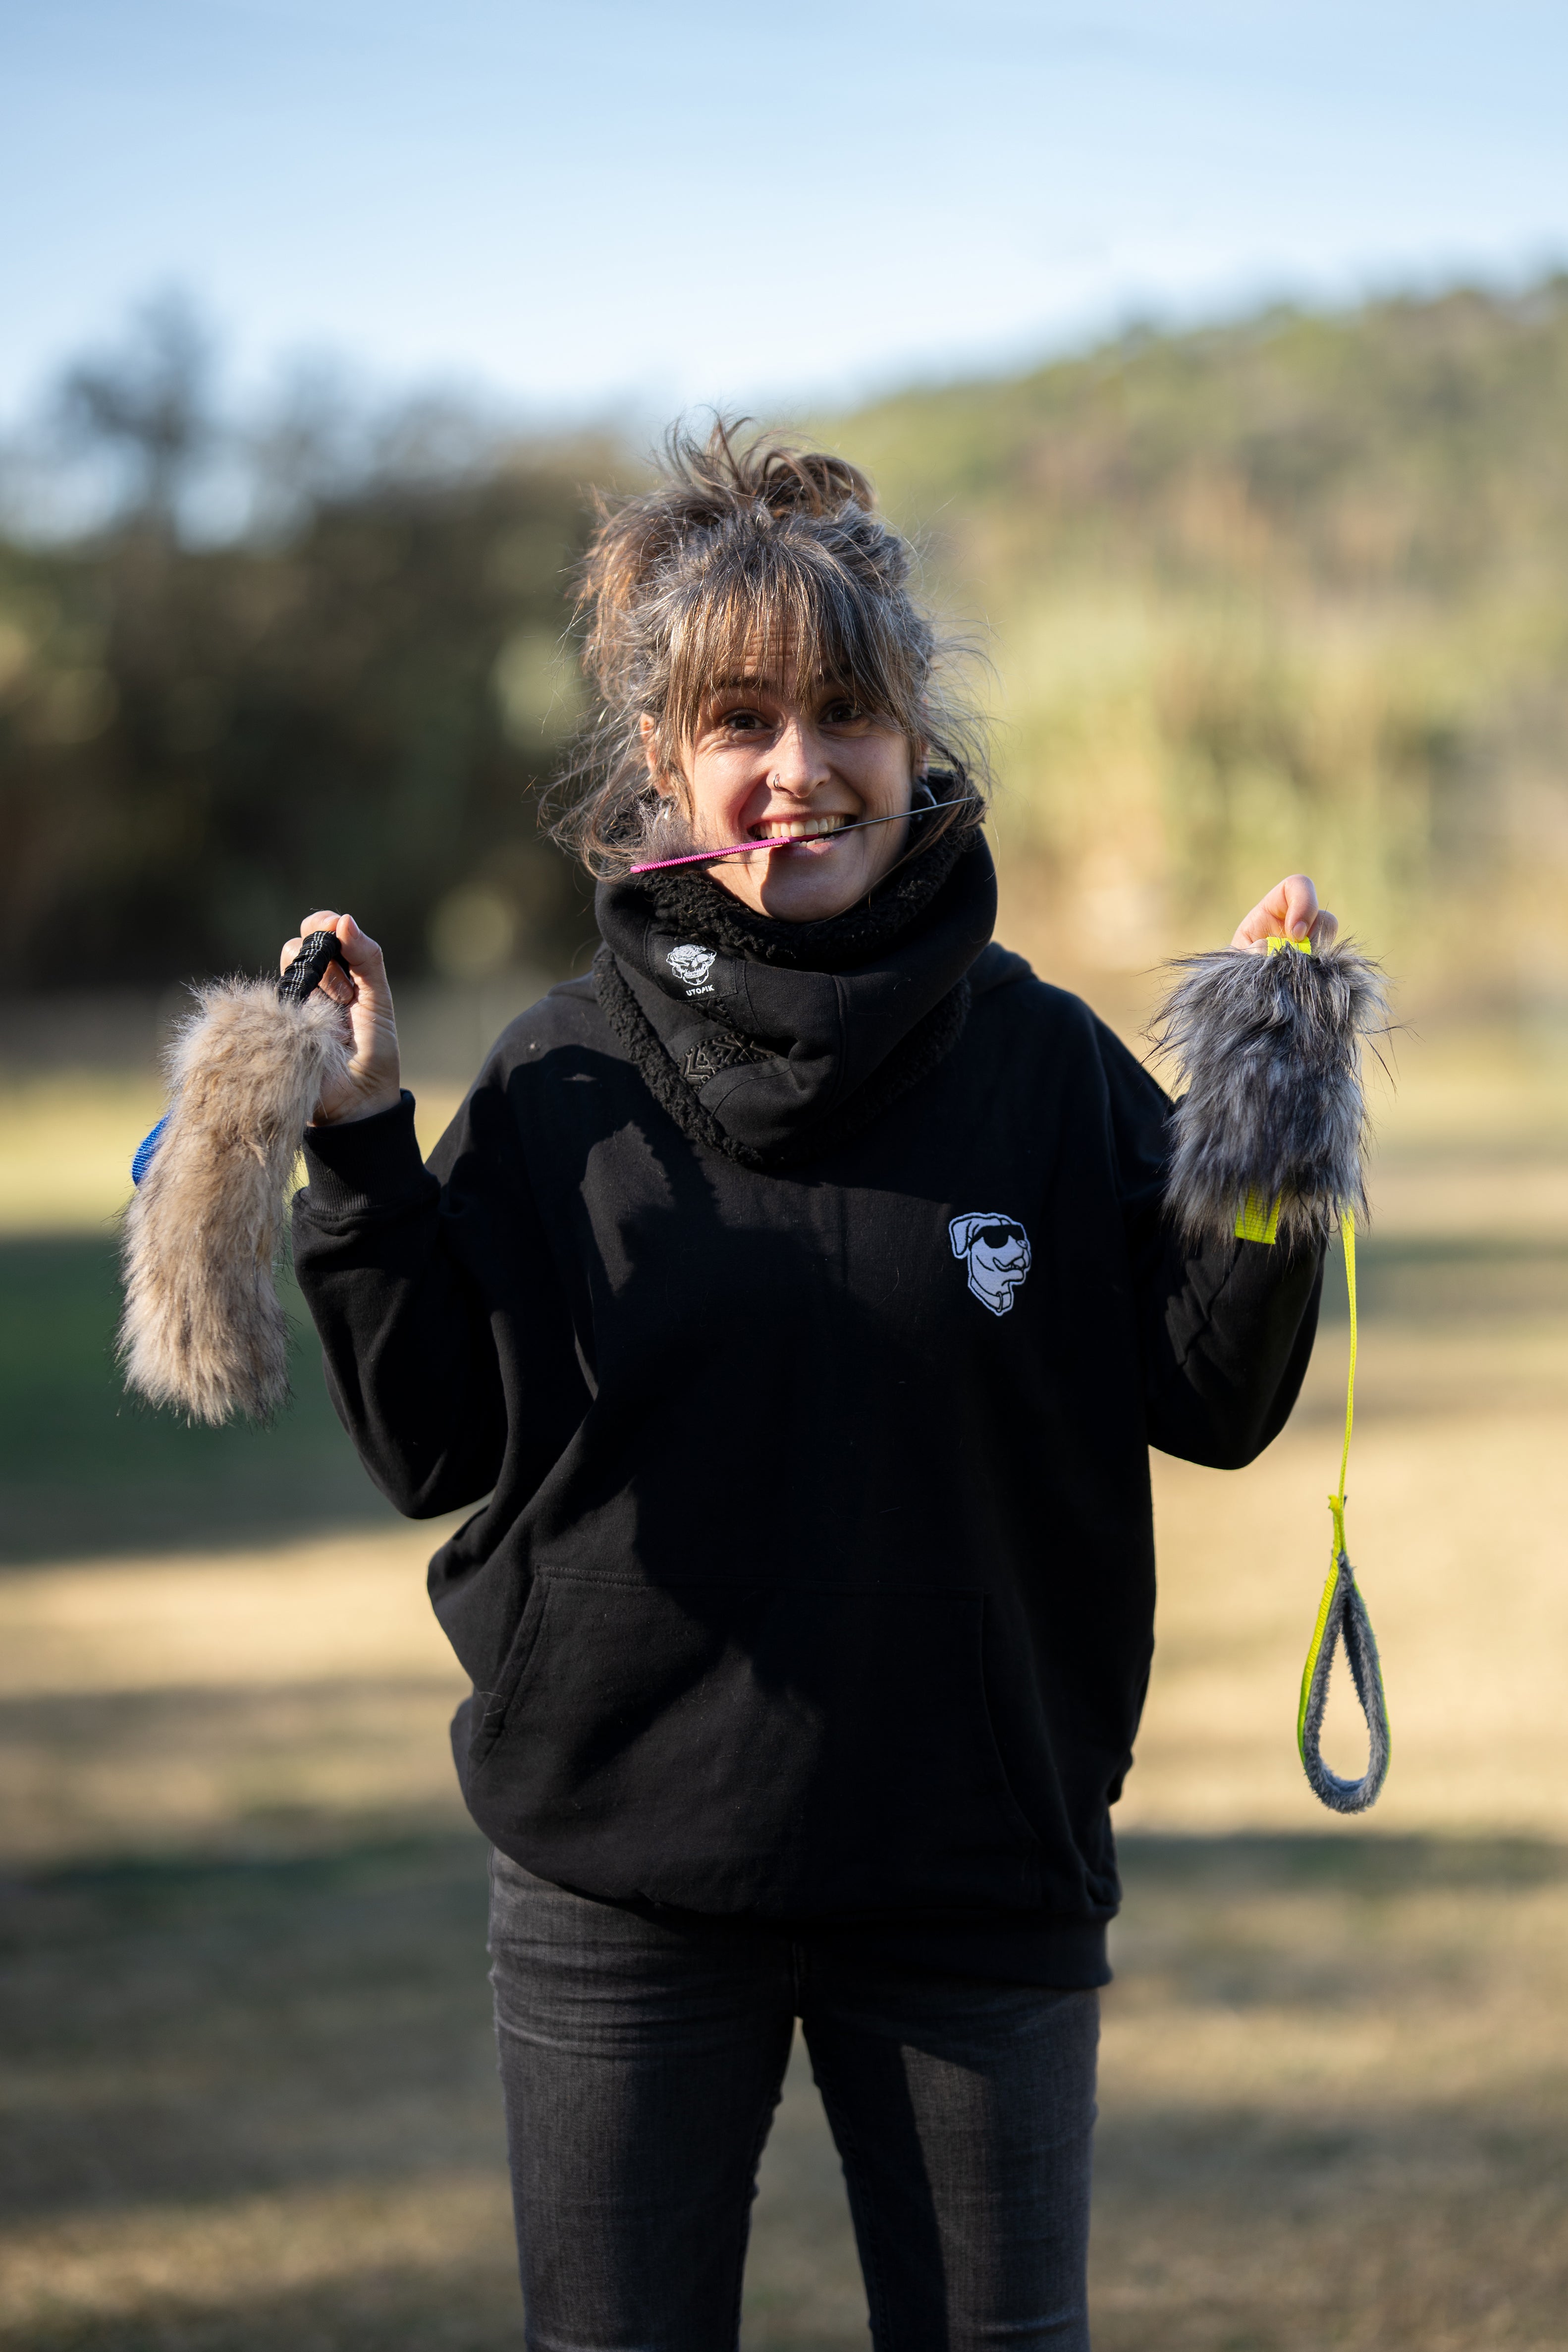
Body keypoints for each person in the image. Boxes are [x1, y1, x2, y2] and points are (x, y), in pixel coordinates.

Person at [283, 423, 1334, 2352]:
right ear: (662, 763)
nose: (798, 769)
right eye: (741, 722)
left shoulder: (1043, 1063)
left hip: (975, 1875)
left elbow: (1215, 1388)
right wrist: (359, 1150)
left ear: (916, 741)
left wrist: (1269, 1120)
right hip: (616, 1883)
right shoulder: (562, 1075)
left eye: (846, 713)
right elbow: (432, 1437)